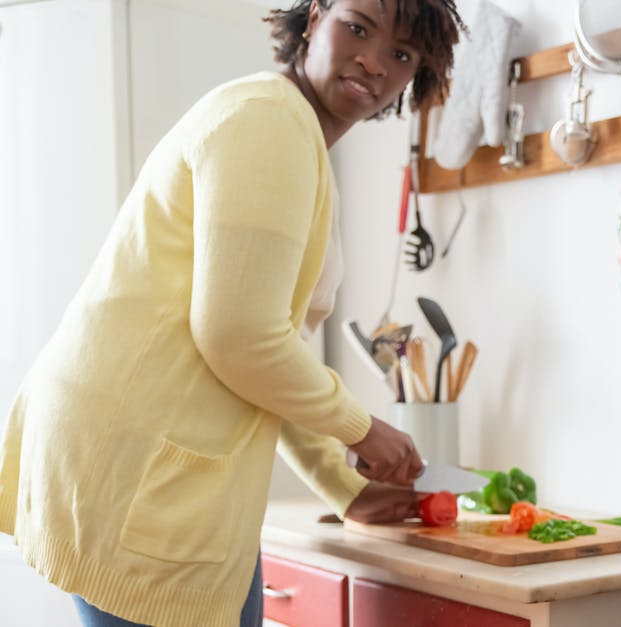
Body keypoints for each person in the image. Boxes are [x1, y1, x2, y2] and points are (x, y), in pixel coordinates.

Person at [0, 1, 464, 625]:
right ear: (316, 15)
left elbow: (273, 356)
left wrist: (343, 486)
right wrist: (362, 429)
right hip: (137, 461)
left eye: (402, 54)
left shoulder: (293, 136)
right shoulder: (268, 121)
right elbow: (240, 337)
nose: (374, 62)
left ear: (416, 79)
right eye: (358, 27)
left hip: (145, 460)